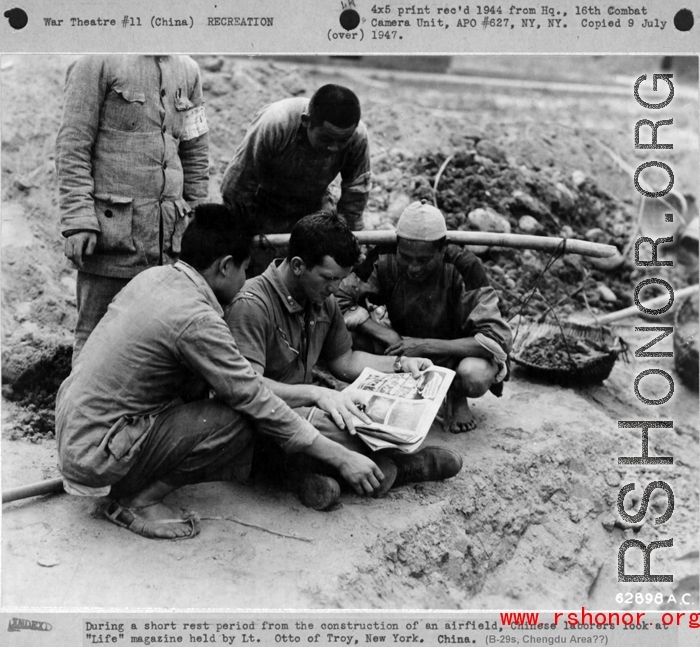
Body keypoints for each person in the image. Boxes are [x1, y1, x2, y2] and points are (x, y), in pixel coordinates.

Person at [55, 204, 387, 541]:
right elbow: (252, 396)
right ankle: (136, 500)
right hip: (98, 456)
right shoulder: (197, 318)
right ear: (226, 267)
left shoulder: (157, 278)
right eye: (245, 268)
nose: (246, 279)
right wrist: (341, 457)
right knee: (239, 417)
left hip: (79, 436)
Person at [226, 213, 463, 510]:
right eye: (329, 278)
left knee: (358, 418)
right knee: (335, 424)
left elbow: (345, 360)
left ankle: (312, 477)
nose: (335, 289)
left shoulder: (321, 298)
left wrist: (401, 365)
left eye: (340, 279)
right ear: (298, 265)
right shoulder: (252, 305)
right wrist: (317, 394)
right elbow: (248, 387)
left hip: (301, 412)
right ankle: (397, 468)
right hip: (261, 419)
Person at [55, 55, 210, 361]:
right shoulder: (96, 61)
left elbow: (195, 152)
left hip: (167, 246)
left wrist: (196, 221)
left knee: (157, 344)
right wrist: (79, 219)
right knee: (96, 339)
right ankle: (79, 408)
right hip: (113, 239)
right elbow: (72, 145)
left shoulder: (187, 70)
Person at [337, 200, 513, 433]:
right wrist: (385, 333)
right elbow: (339, 299)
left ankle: (456, 394)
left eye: (423, 260)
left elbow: (497, 339)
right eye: (406, 257)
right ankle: (399, 389)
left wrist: (424, 346)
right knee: (346, 338)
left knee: (474, 374)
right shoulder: (384, 255)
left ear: (443, 249)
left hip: (455, 353)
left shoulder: (464, 265)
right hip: (401, 347)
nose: (413, 268)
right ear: (397, 245)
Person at [220, 84, 371, 274]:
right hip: (263, 206)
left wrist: (350, 241)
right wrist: (239, 237)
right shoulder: (277, 123)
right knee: (255, 272)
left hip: (313, 207)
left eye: (342, 141)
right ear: (306, 121)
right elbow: (237, 187)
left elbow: (355, 198)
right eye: (326, 139)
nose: (334, 148)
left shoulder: (357, 137)